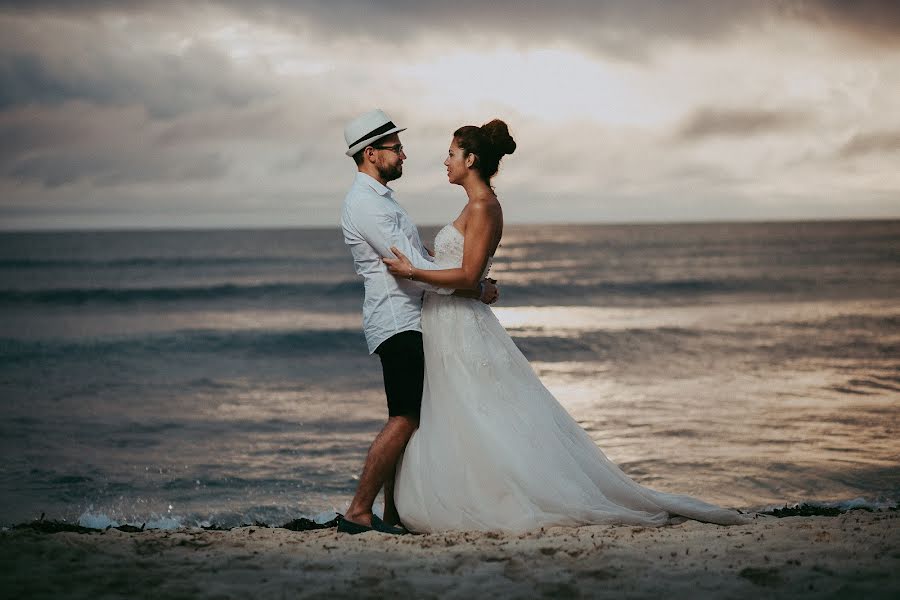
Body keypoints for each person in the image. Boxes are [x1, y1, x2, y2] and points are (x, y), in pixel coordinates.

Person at [383, 119, 750, 532]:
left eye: (451, 154)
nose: (444, 161)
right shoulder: (472, 206)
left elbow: (467, 279)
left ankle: (488, 497)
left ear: (471, 160)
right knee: (457, 414)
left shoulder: (485, 207)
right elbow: (465, 274)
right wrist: (433, 264)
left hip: (459, 325)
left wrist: (415, 271)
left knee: (477, 414)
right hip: (446, 323)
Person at [337, 109, 498, 535]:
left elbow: (419, 262)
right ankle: (358, 511)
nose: (404, 155)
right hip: (398, 319)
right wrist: (474, 288)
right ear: (371, 154)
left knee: (411, 417)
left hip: (411, 316)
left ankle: (392, 516)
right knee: (405, 417)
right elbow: (407, 268)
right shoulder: (366, 205)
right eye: (396, 148)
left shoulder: (381, 200)